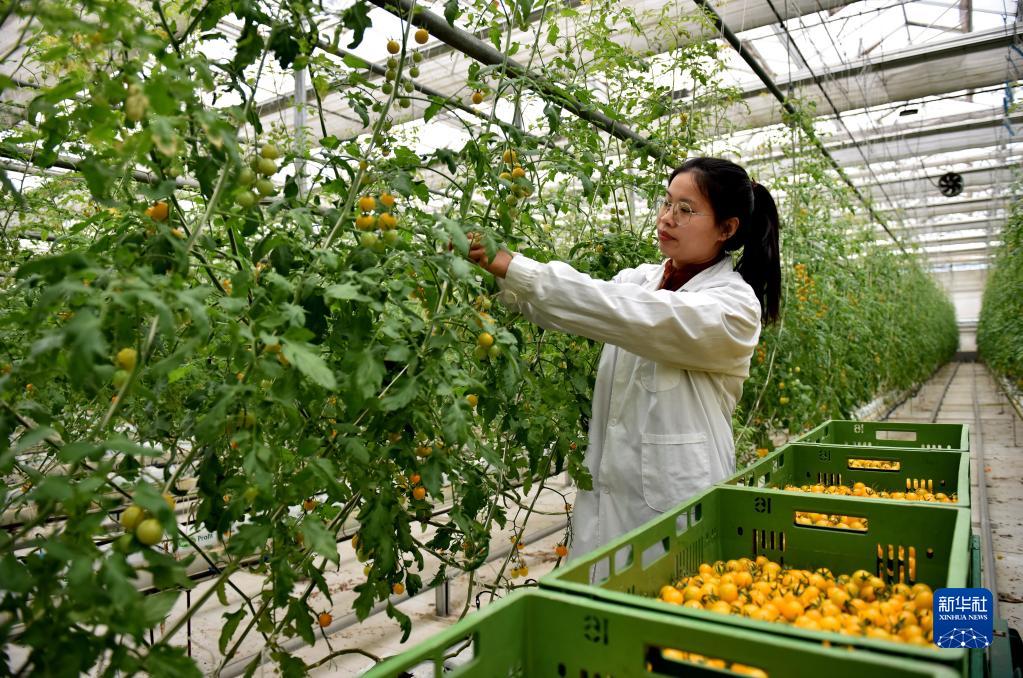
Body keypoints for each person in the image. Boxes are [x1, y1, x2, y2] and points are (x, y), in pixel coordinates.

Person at [468, 157, 782, 560]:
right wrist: (497, 274)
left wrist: (516, 267)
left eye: (685, 210)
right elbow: (572, 307)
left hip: (679, 508)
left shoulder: (734, 307)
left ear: (727, 228)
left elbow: (628, 312)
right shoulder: (639, 280)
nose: (667, 217)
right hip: (607, 502)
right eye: (666, 202)